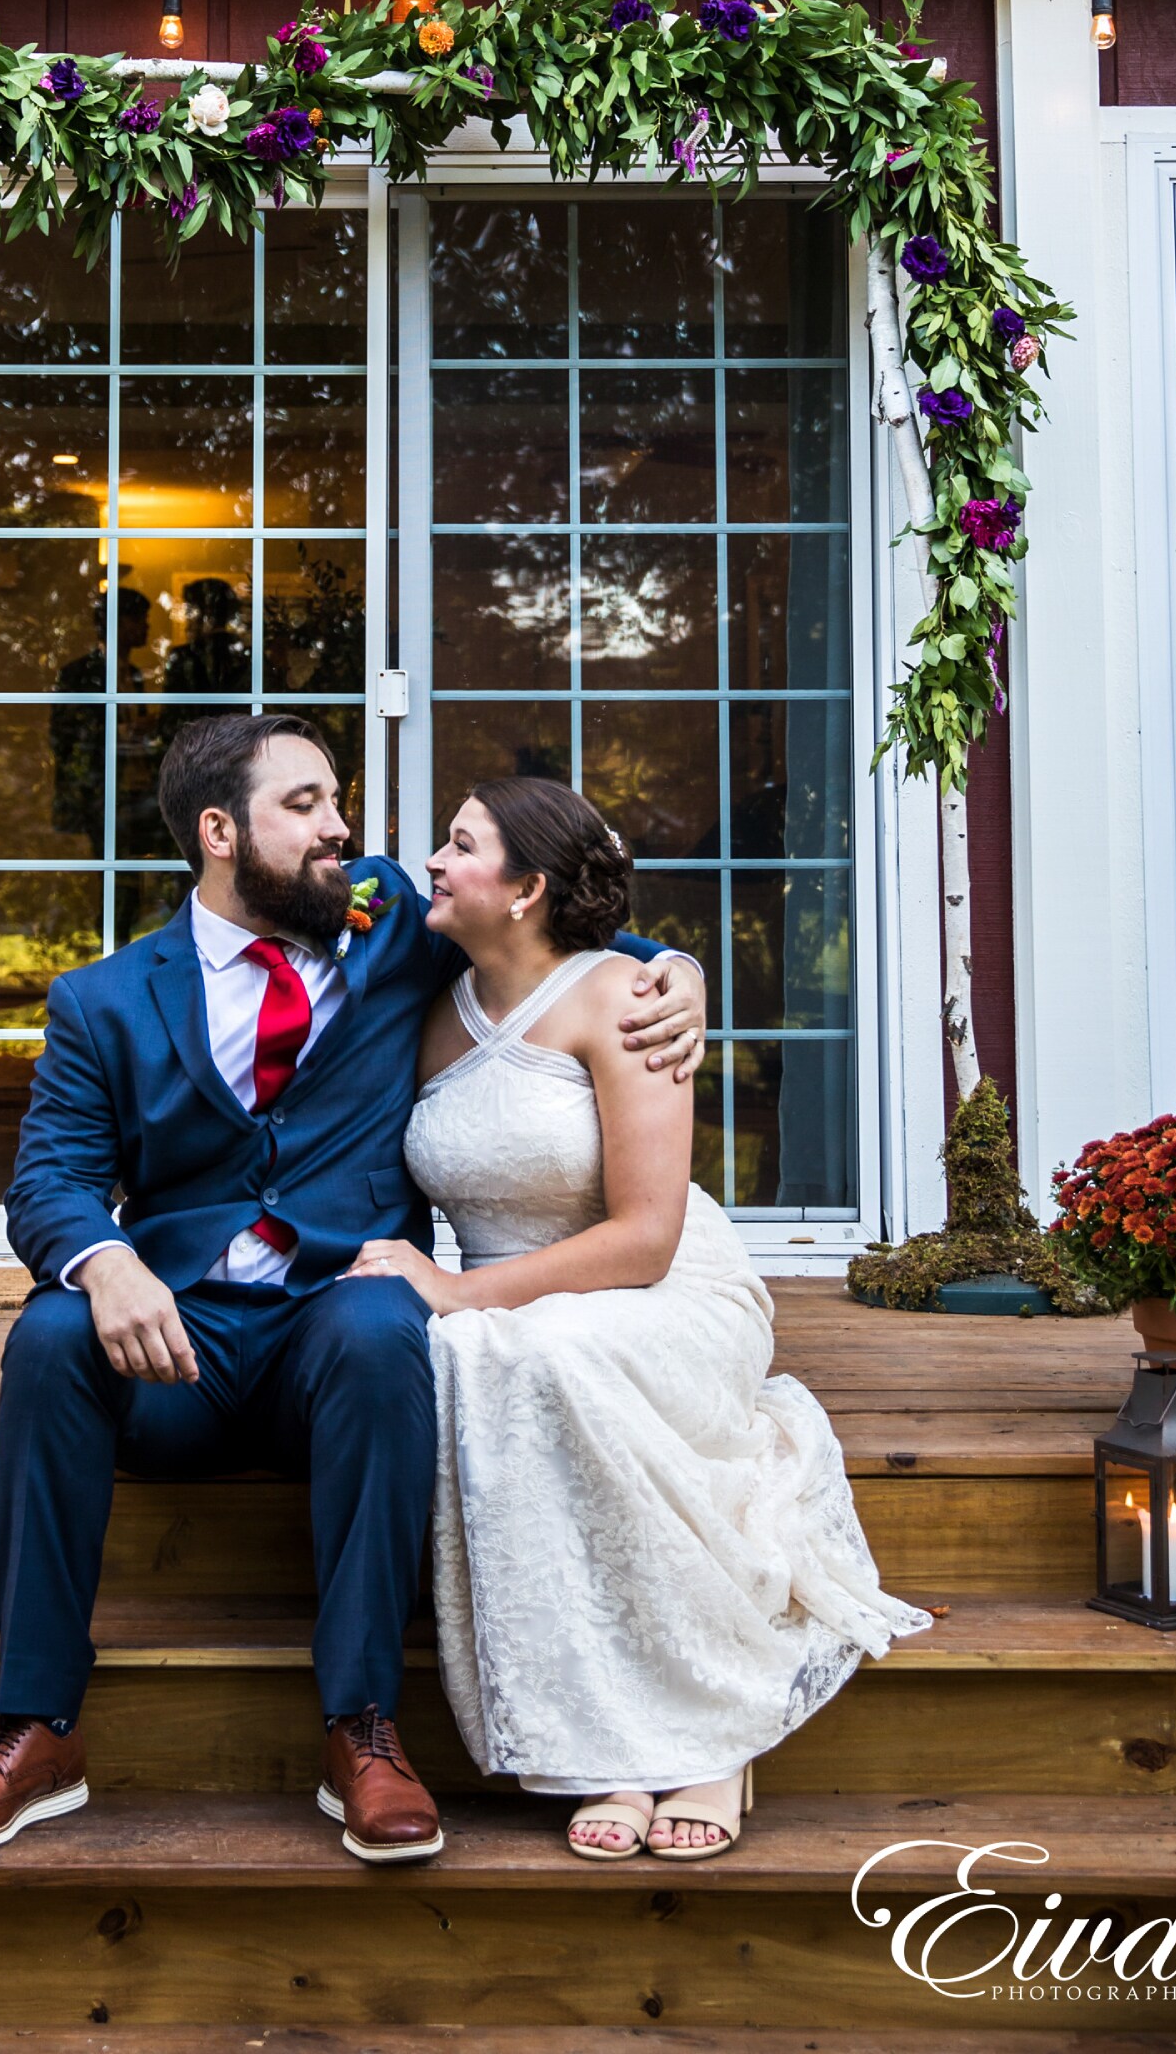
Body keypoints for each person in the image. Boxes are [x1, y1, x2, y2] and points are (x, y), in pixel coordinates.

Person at [0, 712, 707, 1864]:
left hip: (335, 1334)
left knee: (385, 1320)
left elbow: (559, 923)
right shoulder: (105, 1000)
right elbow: (49, 1183)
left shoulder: (385, 923)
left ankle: (362, 1728)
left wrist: (677, 969)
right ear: (220, 832)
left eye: (338, 802)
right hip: (175, 1350)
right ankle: (34, 1729)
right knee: (46, 1336)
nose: (343, 830)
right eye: (307, 806)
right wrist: (109, 1260)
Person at [346, 777, 928, 1864]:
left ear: (523, 889)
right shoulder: (427, 1002)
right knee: (486, 1359)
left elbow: (646, 1236)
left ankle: (713, 1727)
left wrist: (458, 1288)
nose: (429, 859)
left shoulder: (625, 999)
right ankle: (610, 1742)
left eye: (458, 844)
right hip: (522, 1305)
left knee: (520, 1348)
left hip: (656, 1285)